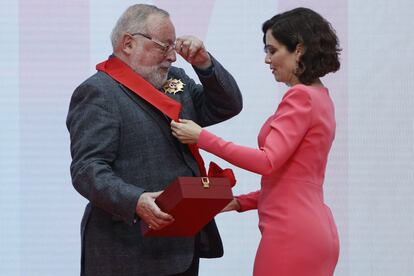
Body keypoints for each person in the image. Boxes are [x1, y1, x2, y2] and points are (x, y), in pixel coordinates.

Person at [66, 4, 242, 276]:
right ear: (128, 43)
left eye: (174, 46)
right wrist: (135, 200)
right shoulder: (98, 92)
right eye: (164, 46)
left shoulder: (176, 81)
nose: (173, 57)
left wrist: (204, 64)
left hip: (182, 243)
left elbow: (226, 106)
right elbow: (87, 169)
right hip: (127, 248)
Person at [171, 7, 341, 276]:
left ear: (298, 49)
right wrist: (241, 202)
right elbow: (294, 181)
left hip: (291, 234)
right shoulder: (322, 97)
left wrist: (201, 137)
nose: (267, 59)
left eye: (272, 50)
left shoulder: (301, 97)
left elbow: (268, 161)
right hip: (316, 231)